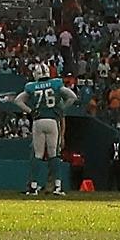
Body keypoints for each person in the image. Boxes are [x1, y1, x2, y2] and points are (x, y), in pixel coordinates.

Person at [12, 60, 76, 196]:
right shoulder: (56, 84)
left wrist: (30, 111)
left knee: (38, 154)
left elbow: (18, 100)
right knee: (54, 154)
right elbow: (72, 97)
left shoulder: (32, 86)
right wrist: (61, 109)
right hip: (52, 120)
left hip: (38, 121)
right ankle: (58, 186)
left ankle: (33, 186)